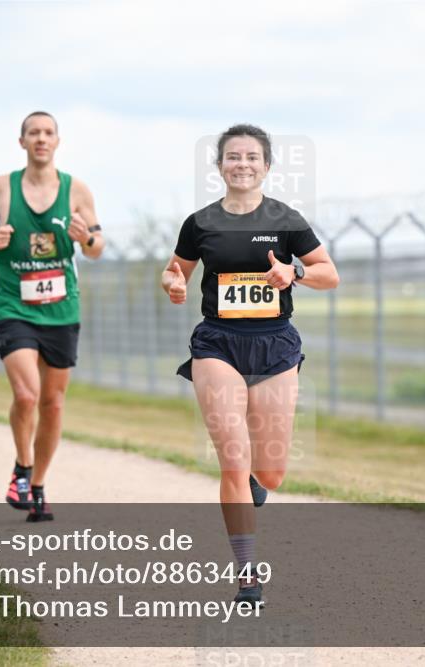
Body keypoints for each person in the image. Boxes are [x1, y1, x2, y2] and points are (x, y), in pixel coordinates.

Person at [162, 124, 339, 604]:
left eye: (252, 157)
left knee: (272, 471)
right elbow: (175, 270)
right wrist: (173, 284)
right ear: (219, 165)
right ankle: (247, 574)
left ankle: (259, 483)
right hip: (218, 343)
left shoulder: (286, 219)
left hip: (275, 346)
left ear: (267, 165)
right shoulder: (199, 223)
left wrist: (294, 272)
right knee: (233, 461)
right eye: (233, 157)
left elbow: (329, 273)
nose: (242, 164)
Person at [0, 111, 104, 522]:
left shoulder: (76, 189)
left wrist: (87, 239)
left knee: (54, 403)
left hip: (62, 309)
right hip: (13, 304)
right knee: (27, 395)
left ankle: (39, 486)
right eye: (34, 133)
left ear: (57, 141)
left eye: (48, 133)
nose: (41, 139)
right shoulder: (2, 187)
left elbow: (97, 245)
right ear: (22, 141)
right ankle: (22, 468)